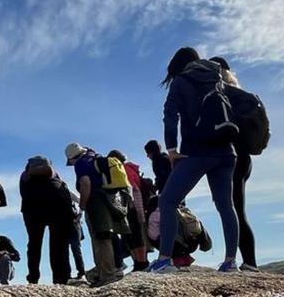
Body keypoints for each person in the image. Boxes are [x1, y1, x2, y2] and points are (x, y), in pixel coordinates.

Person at [148, 47, 239, 273]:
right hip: (227, 151)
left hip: (197, 151)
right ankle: (230, 262)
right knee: (226, 205)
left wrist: (171, 149)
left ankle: (164, 260)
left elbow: (170, 115)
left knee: (168, 201)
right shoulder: (218, 76)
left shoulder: (181, 81)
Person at [212, 56, 258, 271]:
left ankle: (246, 263)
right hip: (245, 158)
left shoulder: (222, 93)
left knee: (234, 210)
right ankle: (247, 261)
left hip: (232, 157)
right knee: (237, 209)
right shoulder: (240, 93)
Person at [64, 143, 129, 286]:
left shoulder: (81, 163)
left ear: (72, 158)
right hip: (111, 200)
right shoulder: (95, 156)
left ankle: (107, 275)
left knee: (101, 239)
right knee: (111, 235)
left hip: (96, 204)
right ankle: (117, 268)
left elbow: (85, 183)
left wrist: (82, 207)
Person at [19, 156, 76, 284]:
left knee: (34, 243)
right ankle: (61, 278)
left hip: (32, 208)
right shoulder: (55, 174)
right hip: (57, 206)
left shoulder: (24, 176)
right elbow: (64, 190)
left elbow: (22, 193)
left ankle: (33, 277)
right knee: (58, 244)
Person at [108, 150, 149, 271]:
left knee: (133, 234)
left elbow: (130, 187)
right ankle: (139, 262)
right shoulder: (130, 168)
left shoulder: (124, 169)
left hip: (131, 205)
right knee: (132, 234)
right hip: (135, 205)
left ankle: (141, 262)